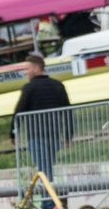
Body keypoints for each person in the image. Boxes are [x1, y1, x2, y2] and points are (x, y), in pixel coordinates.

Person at [11, 54, 72, 189]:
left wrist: (13, 132)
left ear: (37, 69)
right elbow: (68, 110)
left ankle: (49, 203)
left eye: (27, 69)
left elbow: (19, 110)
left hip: (36, 135)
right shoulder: (58, 85)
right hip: (54, 133)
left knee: (43, 170)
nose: (25, 72)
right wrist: (69, 134)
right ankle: (50, 201)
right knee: (47, 166)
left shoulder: (29, 88)